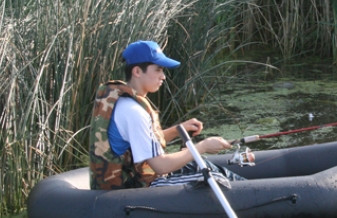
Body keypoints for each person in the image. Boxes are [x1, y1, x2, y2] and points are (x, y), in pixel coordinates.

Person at [89, 40, 245, 190]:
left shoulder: (122, 103)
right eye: (158, 69)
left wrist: (178, 130)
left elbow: (143, 143)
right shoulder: (133, 112)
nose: (163, 76)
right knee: (217, 179)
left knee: (199, 164)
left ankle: (249, 189)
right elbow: (161, 167)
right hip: (133, 189)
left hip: (134, 178)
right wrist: (202, 146)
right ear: (137, 71)